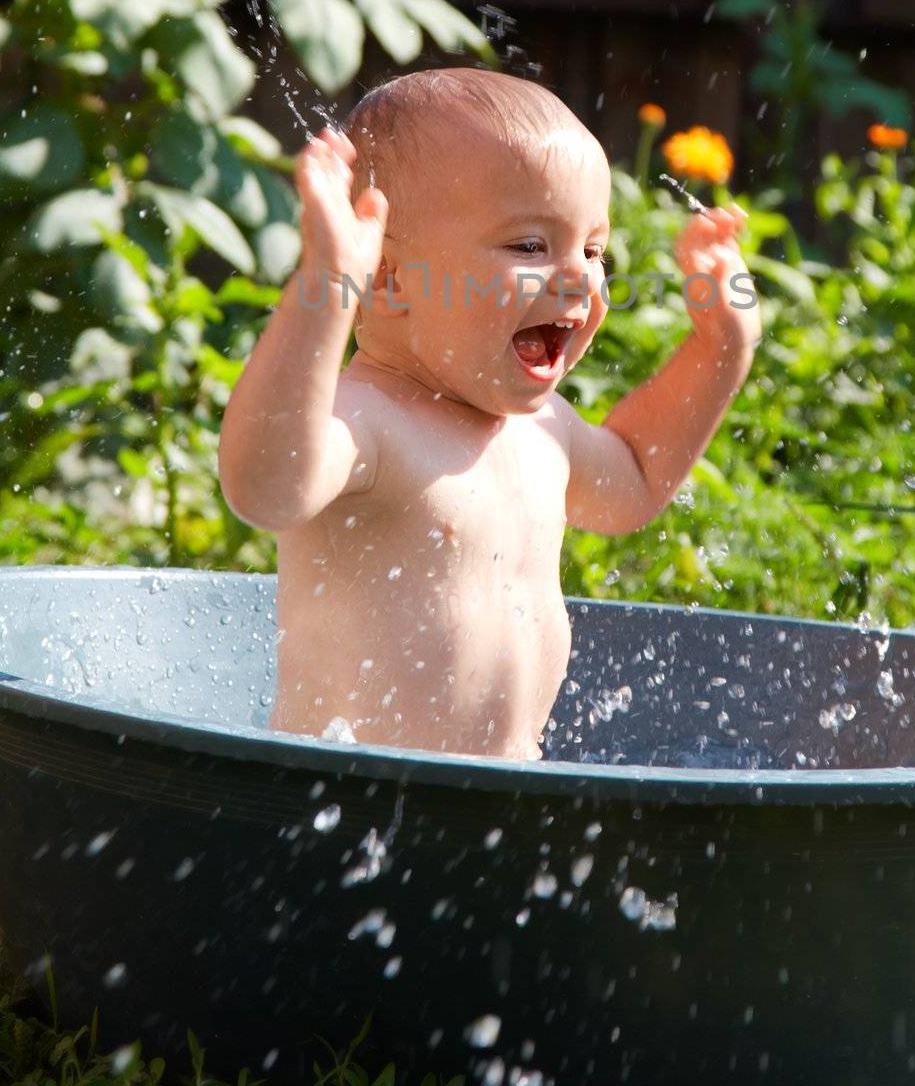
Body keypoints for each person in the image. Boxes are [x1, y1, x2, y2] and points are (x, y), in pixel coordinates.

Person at [218, 67, 760, 761]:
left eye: (591, 249)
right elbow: (265, 485)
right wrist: (324, 289)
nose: (577, 276)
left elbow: (630, 482)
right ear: (385, 279)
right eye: (530, 246)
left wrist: (721, 349)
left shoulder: (544, 431)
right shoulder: (369, 423)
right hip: (352, 805)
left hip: (508, 797)